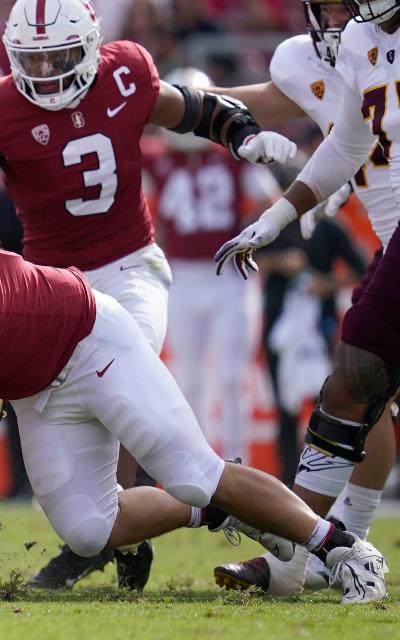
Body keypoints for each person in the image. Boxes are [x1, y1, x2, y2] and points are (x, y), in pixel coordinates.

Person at [0, 208, 389, 605]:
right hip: (37, 386)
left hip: (88, 341)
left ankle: (342, 548)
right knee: (90, 528)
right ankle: (220, 509)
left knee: (193, 473)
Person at [0, 0, 297, 590]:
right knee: (79, 434)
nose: (50, 71)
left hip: (129, 266)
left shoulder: (124, 70)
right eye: (35, 60)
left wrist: (239, 133)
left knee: (120, 372)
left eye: (61, 55)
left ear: (89, 44)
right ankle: (140, 521)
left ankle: (138, 519)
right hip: (52, 287)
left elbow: (185, 110)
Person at [208, 0, 397, 595]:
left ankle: (308, 552)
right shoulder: (359, 41)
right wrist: (280, 214)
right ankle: (316, 550)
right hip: (391, 240)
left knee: (355, 379)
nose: (346, 11)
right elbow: (347, 142)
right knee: (360, 384)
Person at [142, 67, 281, 463]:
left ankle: (237, 462)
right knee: (187, 377)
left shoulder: (234, 153)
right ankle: (196, 464)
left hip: (228, 276)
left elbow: (269, 201)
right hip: (182, 276)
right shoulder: (156, 159)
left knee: (231, 375)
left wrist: (247, 240)